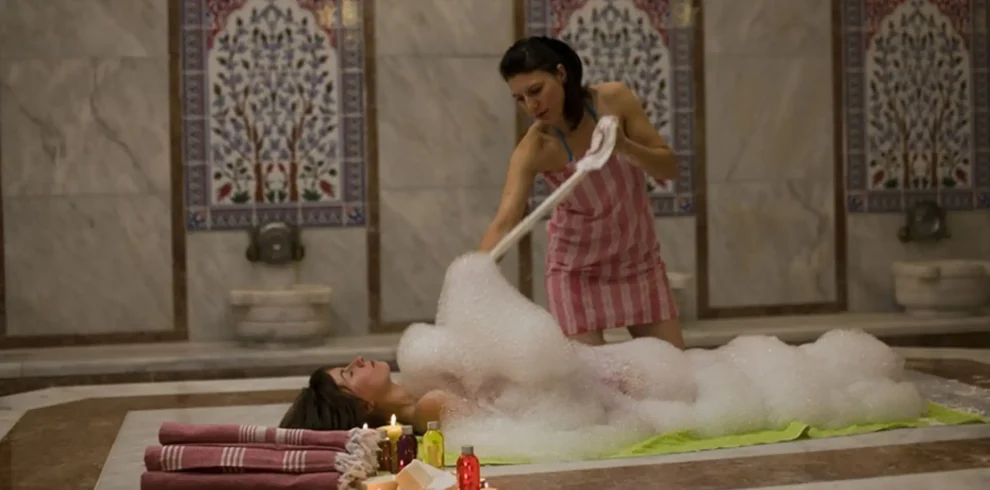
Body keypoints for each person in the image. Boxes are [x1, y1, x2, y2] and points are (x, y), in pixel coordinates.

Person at [478, 36, 685, 349]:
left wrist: (625, 147)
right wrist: (472, 276)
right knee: (588, 377)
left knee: (674, 371)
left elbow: (668, 168)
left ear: (561, 74)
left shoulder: (613, 100)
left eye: (536, 90)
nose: (531, 106)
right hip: (576, 272)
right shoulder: (534, 149)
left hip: (639, 261)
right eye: (520, 99)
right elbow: (505, 222)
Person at [279, 357, 472, 434]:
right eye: (350, 373)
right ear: (363, 405)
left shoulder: (420, 384)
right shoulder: (430, 406)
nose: (358, 360)